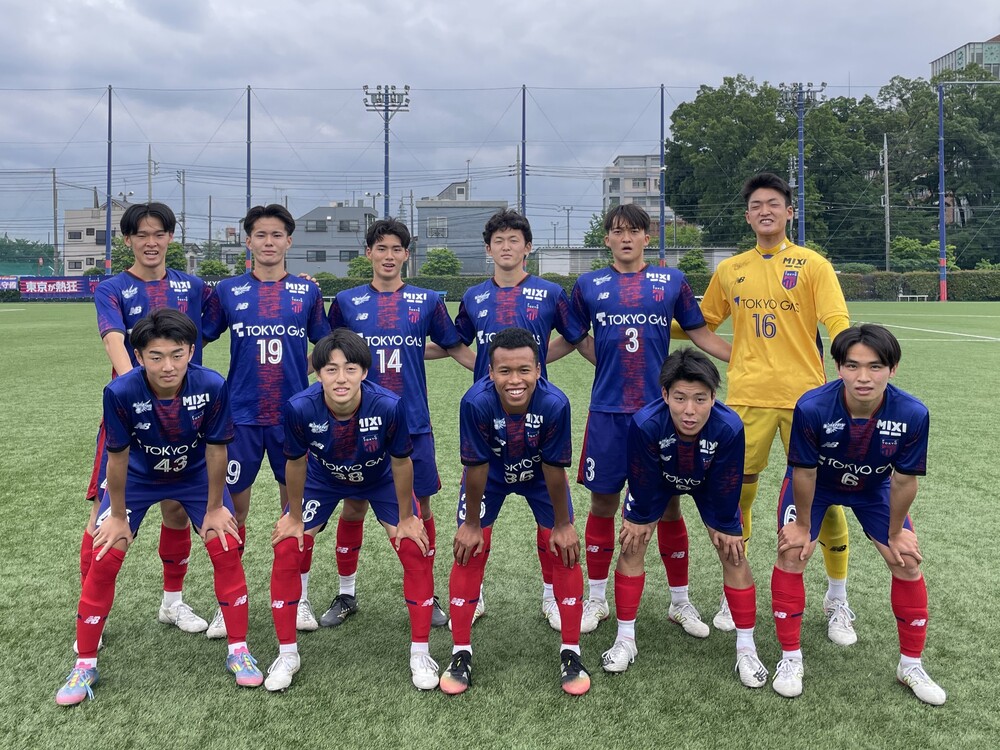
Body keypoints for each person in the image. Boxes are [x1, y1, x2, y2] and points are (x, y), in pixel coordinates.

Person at [56, 309, 262, 705]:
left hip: (193, 475)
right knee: (106, 553)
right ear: (138, 357)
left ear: (191, 352)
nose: (168, 366)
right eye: (156, 356)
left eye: (177, 354)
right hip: (139, 476)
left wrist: (215, 507)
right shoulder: (120, 392)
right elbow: (116, 457)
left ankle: (239, 650)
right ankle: (85, 663)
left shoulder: (212, 385)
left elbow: (217, 450)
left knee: (225, 543)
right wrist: (118, 516)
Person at [690, 173, 854, 645]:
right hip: (746, 399)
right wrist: (653, 321)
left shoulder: (812, 264)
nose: (765, 211)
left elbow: (836, 319)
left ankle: (837, 598)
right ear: (748, 216)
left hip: (808, 400)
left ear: (789, 212)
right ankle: (733, 590)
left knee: (823, 499)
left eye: (774, 204)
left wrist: (850, 358)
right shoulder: (731, 269)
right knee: (736, 497)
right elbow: (702, 321)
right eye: (757, 205)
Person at [570, 203, 731, 635]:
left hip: (661, 415)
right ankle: (596, 598)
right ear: (607, 238)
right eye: (618, 231)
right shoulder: (588, 284)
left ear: (647, 238)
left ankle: (680, 602)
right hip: (608, 412)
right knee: (602, 503)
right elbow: (574, 335)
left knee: (669, 504)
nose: (626, 238)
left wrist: (744, 358)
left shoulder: (671, 281)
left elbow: (699, 332)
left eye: (634, 231)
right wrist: (603, 360)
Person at [770, 324, 945, 705]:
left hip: (873, 488)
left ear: (892, 369)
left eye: (875, 366)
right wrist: (802, 526)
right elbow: (804, 472)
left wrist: (896, 532)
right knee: (792, 552)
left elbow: (903, 481)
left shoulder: (913, 413)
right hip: (817, 485)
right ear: (838, 368)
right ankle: (790, 658)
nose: (863, 377)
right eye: (852, 366)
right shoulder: (812, 407)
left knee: (906, 560)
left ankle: (910, 665)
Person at [433, 209, 588, 630]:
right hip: (488, 417)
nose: (506, 247)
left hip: (537, 417)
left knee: (551, 516)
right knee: (477, 515)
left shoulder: (550, 292)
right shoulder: (473, 296)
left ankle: (551, 595)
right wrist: (483, 370)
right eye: (498, 241)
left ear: (527, 247)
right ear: (488, 249)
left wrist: (535, 368)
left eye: (514, 240)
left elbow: (574, 337)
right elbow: (456, 342)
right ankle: (475, 593)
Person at [264, 329, 437, 692]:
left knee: (412, 547)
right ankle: (287, 654)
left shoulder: (388, 405)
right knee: (287, 547)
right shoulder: (299, 407)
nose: (340, 378)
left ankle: (420, 653)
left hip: (378, 478)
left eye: (350, 369)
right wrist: (293, 517)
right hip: (323, 478)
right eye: (331, 369)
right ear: (318, 373)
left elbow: (401, 462)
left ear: (364, 372)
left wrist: (407, 517)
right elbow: (295, 462)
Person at [325, 218, 471, 629]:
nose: (388, 256)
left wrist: (495, 374)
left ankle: (428, 592)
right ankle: (346, 592)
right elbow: (328, 354)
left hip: (412, 421)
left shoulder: (427, 300)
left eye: (396, 249)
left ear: (407, 254)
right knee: (354, 504)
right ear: (368, 253)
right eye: (381, 248)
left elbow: (453, 346)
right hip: (356, 422)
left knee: (421, 506)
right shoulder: (346, 302)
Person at [83, 202, 216, 637]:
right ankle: (91, 614)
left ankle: (172, 603)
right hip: (131, 415)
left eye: (159, 233)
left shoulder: (193, 287)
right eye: (141, 235)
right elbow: (114, 341)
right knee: (103, 513)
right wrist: (140, 395)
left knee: (176, 508)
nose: (151, 242)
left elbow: (235, 309)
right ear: (128, 241)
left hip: (186, 417)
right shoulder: (112, 288)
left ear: (171, 238)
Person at [600, 349, 767, 688]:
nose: (689, 410)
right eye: (680, 398)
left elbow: (728, 481)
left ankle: (747, 648)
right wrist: (639, 517)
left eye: (700, 399)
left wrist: (726, 524)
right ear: (665, 395)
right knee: (633, 543)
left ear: (713, 397)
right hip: (658, 478)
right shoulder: (645, 423)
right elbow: (642, 479)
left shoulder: (729, 426)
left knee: (733, 552)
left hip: (709, 481)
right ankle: (625, 639)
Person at [201, 204, 330, 638]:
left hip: (292, 418)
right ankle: (228, 602)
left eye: (277, 235)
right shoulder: (227, 291)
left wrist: (302, 374)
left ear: (289, 241)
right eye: (261, 234)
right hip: (240, 417)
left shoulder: (307, 292)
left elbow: (325, 348)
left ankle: (299, 597)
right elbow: (196, 338)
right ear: (248, 241)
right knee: (231, 510)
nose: (269, 242)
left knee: (295, 510)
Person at [440, 327, 590, 696]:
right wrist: (471, 524)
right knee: (469, 549)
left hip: (539, 475)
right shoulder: (475, 402)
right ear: (490, 372)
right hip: (489, 476)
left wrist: (563, 524)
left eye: (524, 370)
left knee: (564, 549)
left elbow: (554, 469)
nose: (515, 380)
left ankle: (571, 651)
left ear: (538, 369)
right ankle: (460, 652)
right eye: (504, 371)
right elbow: (476, 466)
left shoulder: (555, 404)